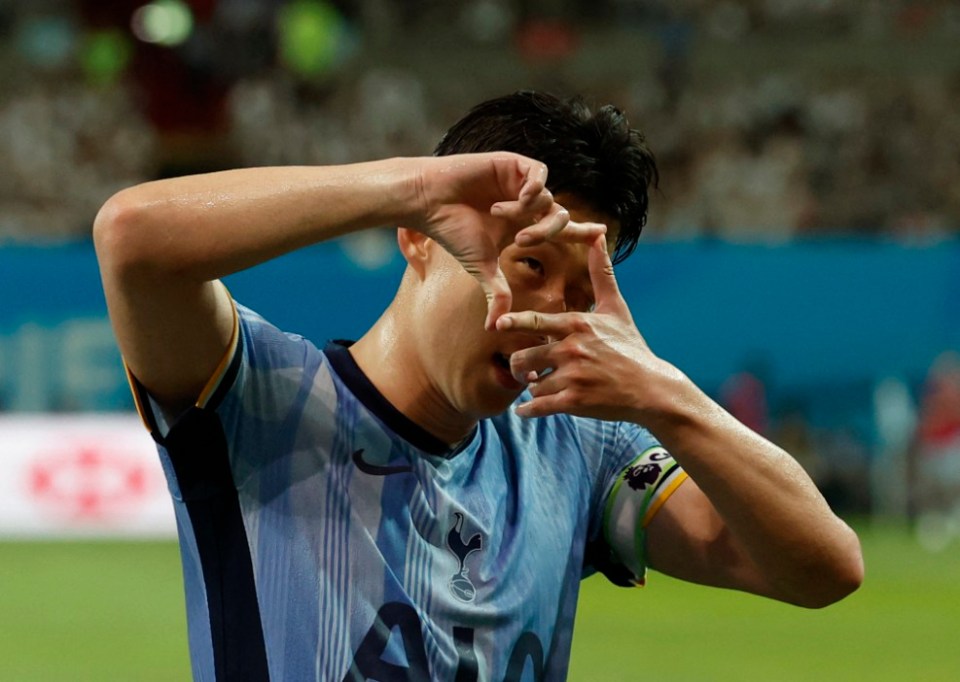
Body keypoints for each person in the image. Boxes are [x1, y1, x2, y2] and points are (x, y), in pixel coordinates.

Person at [94, 91, 863, 681]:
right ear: (419, 240)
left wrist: (665, 393)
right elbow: (132, 239)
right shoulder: (259, 400)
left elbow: (822, 569)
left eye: (579, 292)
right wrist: (410, 186)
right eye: (528, 266)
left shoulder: (582, 449)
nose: (550, 317)